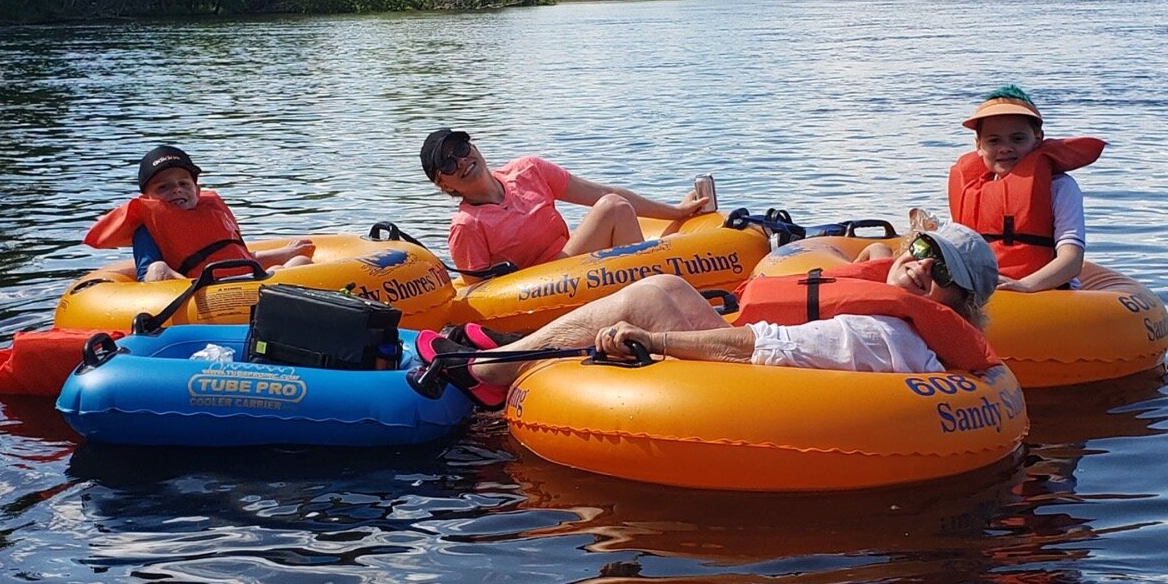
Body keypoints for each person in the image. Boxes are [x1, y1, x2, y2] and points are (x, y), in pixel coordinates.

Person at [416, 222, 1001, 408]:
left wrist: (654, 338)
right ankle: (505, 353)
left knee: (651, 299)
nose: (924, 268)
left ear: (959, 304)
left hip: (764, 393)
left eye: (943, 273)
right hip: (778, 371)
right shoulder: (901, 314)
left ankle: (489, 370)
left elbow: (762, 351)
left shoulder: (886, 334)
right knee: (665, 284)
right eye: (924, 251)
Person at [419, 127, 713, 279]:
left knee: (613, 204)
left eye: (461, 148)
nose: (461, 161)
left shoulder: (528, 170)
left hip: (569, 260)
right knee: (612, 207)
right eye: (447, 163)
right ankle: (651, 290)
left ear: (473, 146)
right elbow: (480, 293)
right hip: (543, 286)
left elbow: (600, 191)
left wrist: (676, 212)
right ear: (444, 184)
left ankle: (652, 287)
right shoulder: (466, 226)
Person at [948, 85, 1104, 292]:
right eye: (994, 140)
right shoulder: (972, 188)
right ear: (978, 145)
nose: (1005, 148)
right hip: (984, 291)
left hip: (1047, 293)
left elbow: (1072, 259)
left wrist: (1025, 285)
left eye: (1018, 138)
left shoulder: (1060, 187)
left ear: (1037, 138)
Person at [84, 145, 314, 282]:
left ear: (197, 190)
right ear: (147, 199)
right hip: (199, 292)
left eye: (184, 183)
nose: (176, 189)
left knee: (300, 261)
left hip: (249, 282)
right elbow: (148, 275)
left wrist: (281, 254)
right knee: (157, 269)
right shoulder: (148, 229)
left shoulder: (213, 214)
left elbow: (238, 257)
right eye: (162, 187)